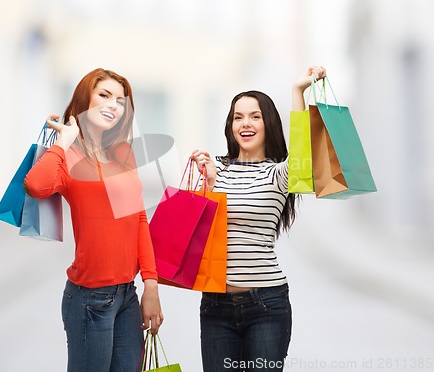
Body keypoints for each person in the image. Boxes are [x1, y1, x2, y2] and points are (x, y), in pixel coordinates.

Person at [24, 68, 163, 372]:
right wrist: (64, 142)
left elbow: (138, 220)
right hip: (89, 299)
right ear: (85, 98)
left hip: (127, 296)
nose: (113, 105)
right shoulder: (68, 156)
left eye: (120, 100)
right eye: (104, 95)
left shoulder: (122, 154)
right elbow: (36, 185)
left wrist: (150, 286)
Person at [191, 66, 326, 372]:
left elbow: (303, 156)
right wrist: (208, 185)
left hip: (266, 305)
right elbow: (199, 237)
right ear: (230, 125)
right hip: (215, 306)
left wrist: (298, 91)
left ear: (268, 124)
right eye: (238, 116)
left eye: (255, 116)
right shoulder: (216, 170)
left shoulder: (278, 174)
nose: (245, 123)